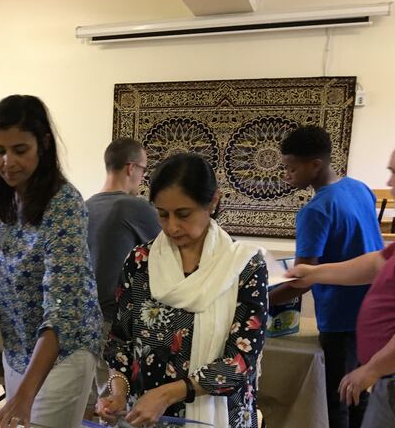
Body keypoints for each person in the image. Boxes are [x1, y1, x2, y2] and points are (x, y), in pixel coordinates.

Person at [97, 153, 269, 428]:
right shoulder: (141, 262)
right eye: (162, 214)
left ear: (212, 202)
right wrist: (118, 392)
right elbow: (121, 340)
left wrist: (166, 394)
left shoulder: (243, 266)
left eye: (183, 214)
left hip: (216, 414)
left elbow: (240, 359)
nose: (172, 226)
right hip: (145, 415)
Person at [0, 95, 103, 428]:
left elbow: (62, 309)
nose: (7, 162)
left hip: (64, 349)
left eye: (20, 150)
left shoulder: (65, 204)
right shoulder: (6, 196)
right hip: (19, 346)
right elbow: (6, 261)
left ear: (43, 144)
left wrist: (23, 396)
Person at [288, 132, 395, 428]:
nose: (388, 182)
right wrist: (314, 272)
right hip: (391, 369)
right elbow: (378, 262)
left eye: (394, 171)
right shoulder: (366, 194)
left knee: (340, 401)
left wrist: (372, 370)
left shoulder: (316, 209)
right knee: (356, 402)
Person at [270, 125, 384, 428]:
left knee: (338, 399)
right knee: (359, 392)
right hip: (373, 309)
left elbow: (302, 281)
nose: (286, 175)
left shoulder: (316, 210)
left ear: (315, 165)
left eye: (290, 168)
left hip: (340, 316)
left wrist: (259, 300)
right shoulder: (360, 188)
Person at [85, 138, 161, 417]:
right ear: (131, 168)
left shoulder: (85, 206)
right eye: (142, 169)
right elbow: (168, 253)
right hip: (113, 322)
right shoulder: (134, 208)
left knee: (85, 405)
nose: (142, 177)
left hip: (82, 321)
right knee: (112, 407)